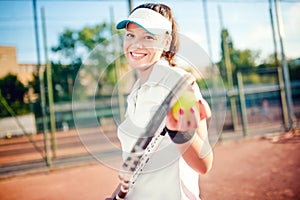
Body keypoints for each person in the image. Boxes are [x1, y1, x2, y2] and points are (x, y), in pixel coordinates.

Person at [114, 3, 213, 200]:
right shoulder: (135, 92)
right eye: (130, 35)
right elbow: (137, 163)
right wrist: (116, 194)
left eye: (148, 37)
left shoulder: (179, 84)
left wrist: (179, 131)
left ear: (166, 42)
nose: (136, 44)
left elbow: (204, 164)